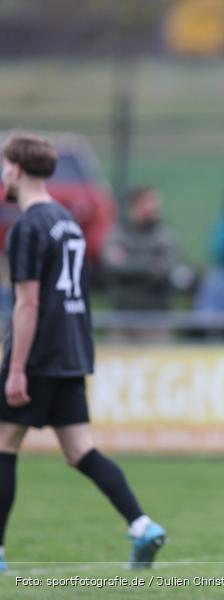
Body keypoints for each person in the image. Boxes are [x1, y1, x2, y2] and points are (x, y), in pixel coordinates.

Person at [0, 133, 165, 570]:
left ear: (17, 170)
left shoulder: (27, 227)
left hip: (39, 351)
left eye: (5, 166)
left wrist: (16, 368)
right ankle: (142, 525)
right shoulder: (68, 221)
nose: (3, 174)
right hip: (72, 348)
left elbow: (28, 303)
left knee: (4, 443)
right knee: (79, 450)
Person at [101, 186, 181, 311]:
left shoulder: (165, 236)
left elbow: (165, 268)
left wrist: (129, 261)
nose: (154, 207)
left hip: (157, 311)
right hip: (123, 311)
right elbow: (113, 266)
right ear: (135, 206)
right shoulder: (118, 233)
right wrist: (150, 263)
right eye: (147, 202)